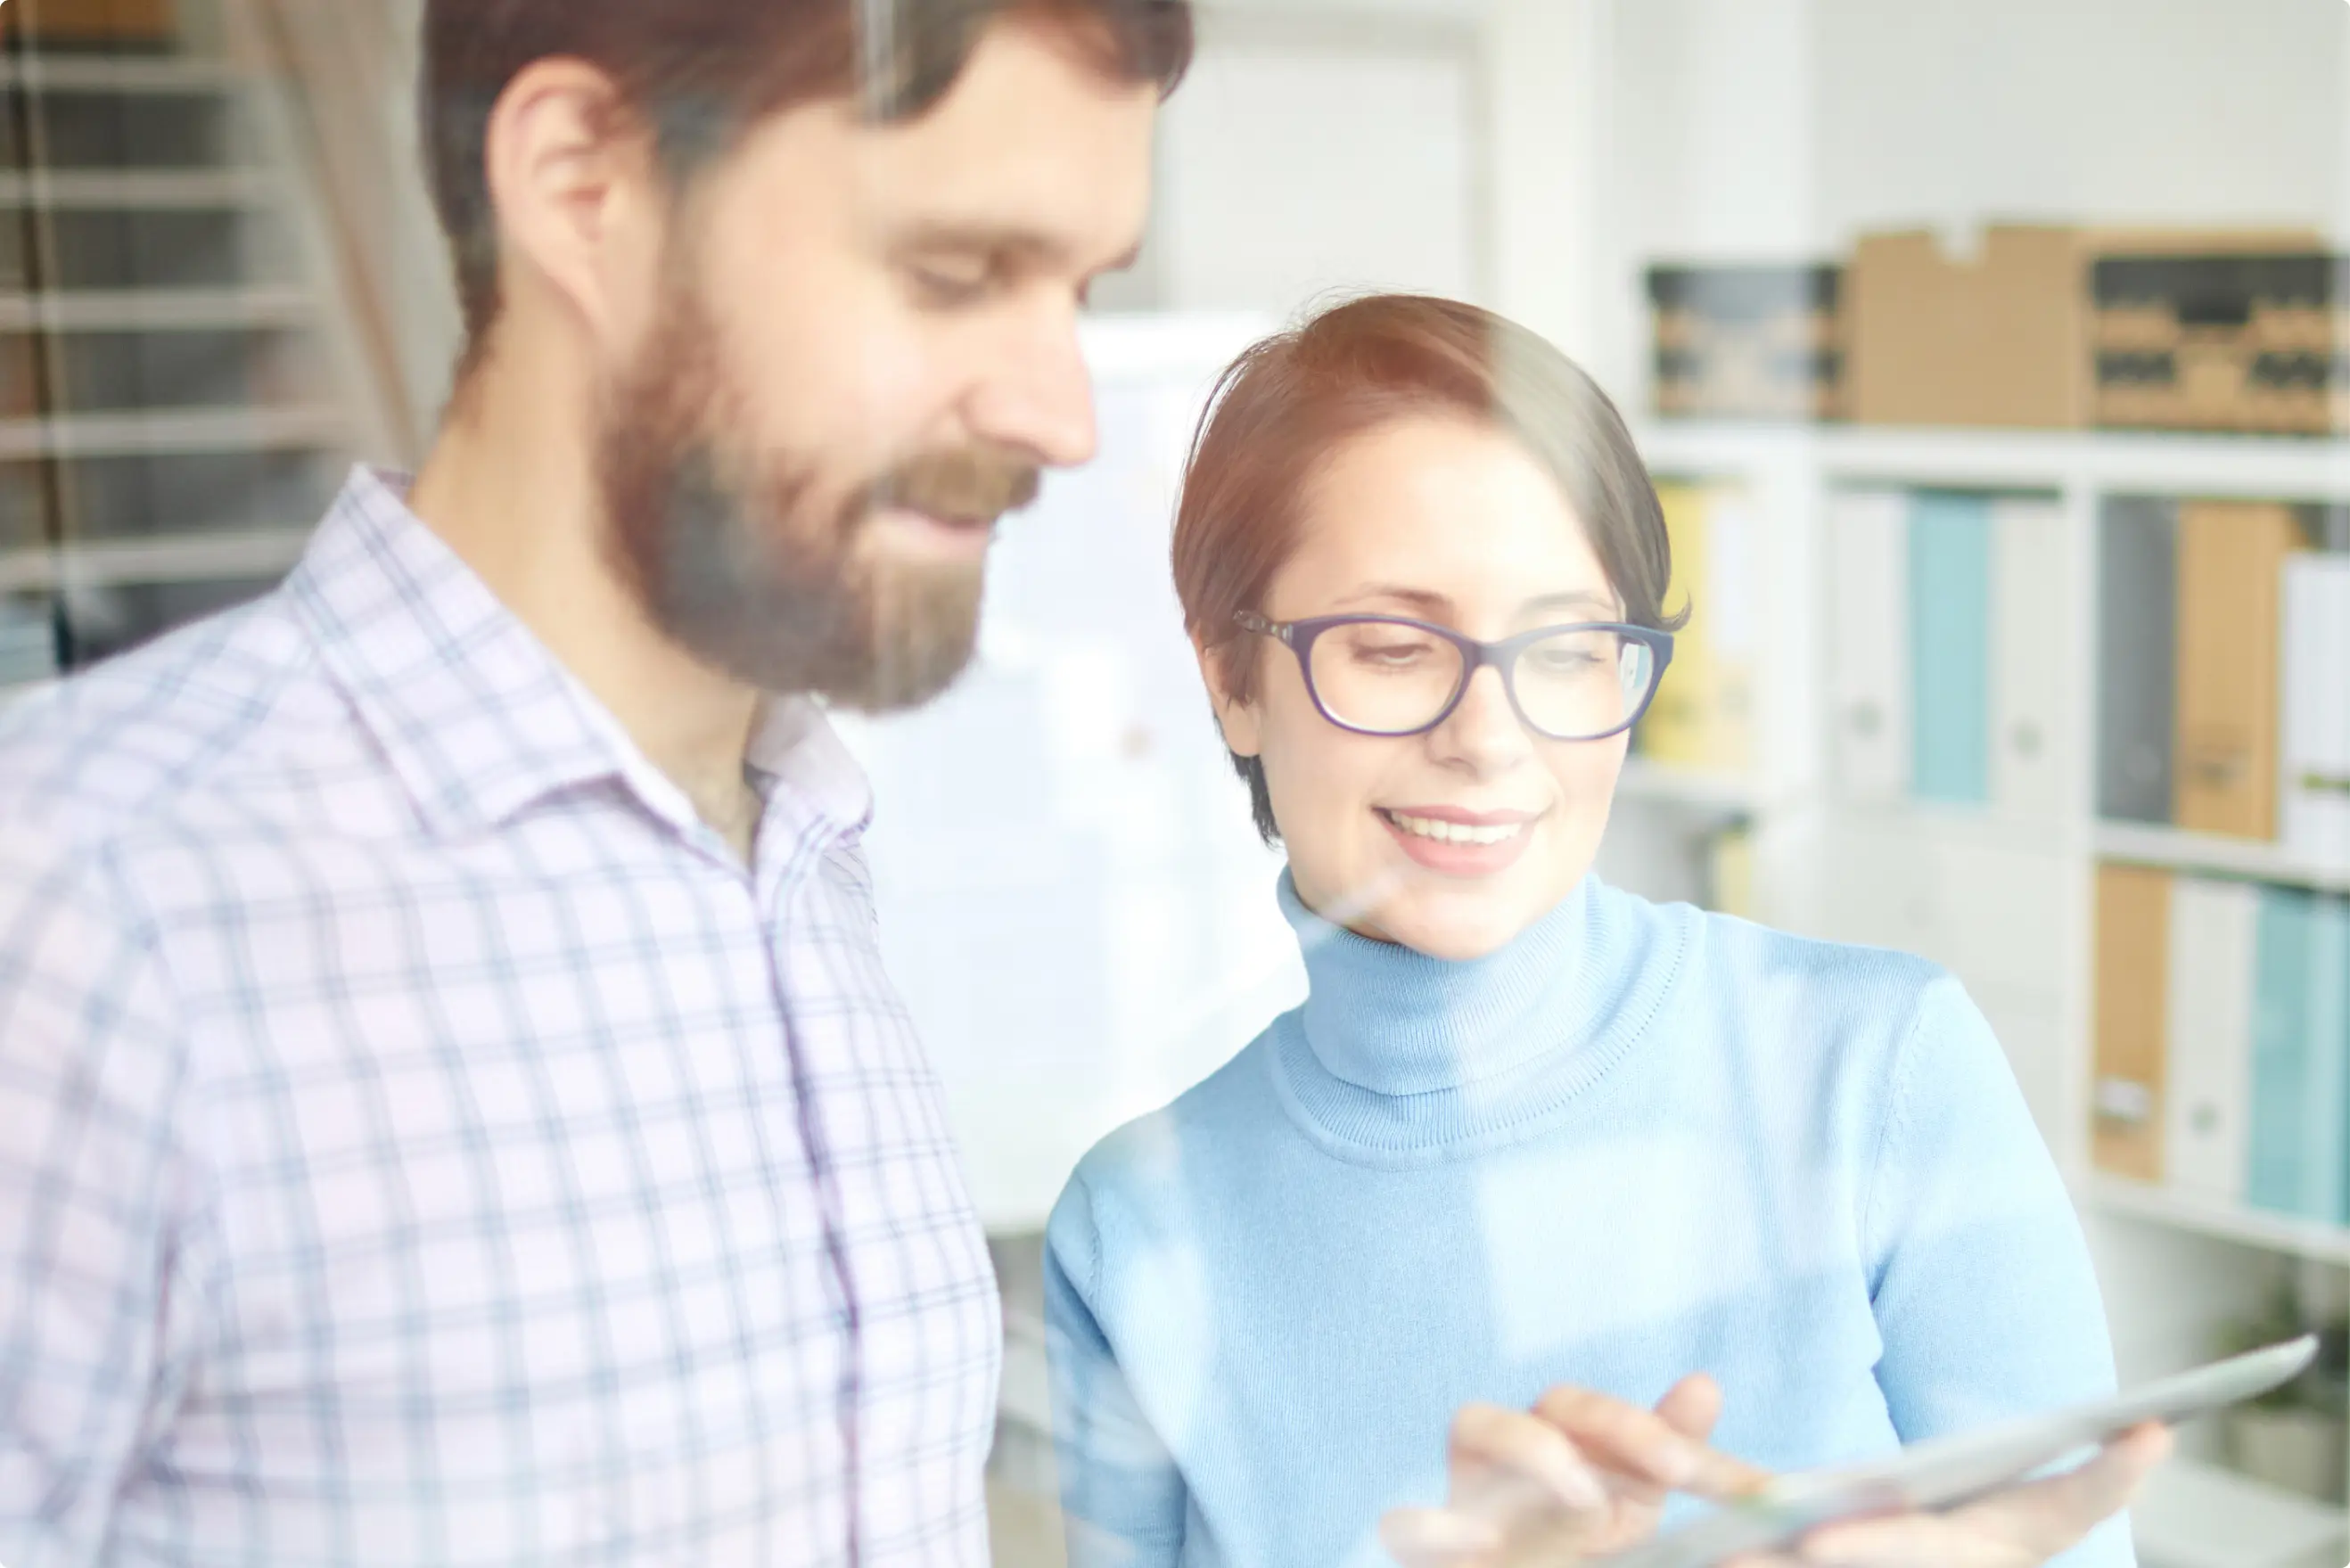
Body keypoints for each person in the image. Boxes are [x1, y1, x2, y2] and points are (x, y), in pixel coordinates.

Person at [0, 4, 1752, 1564]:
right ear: (583, 184)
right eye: (952, 272)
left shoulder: (803, 858)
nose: (1062, 415)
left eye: (1079, 290)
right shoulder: (77, 909)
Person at [1043, 293, 2172, 1568]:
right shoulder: (1136, 1232)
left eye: (1567, 647)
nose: (1487, 737)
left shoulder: (1878, 1070)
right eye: (1393, 646)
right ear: (1230, 676)